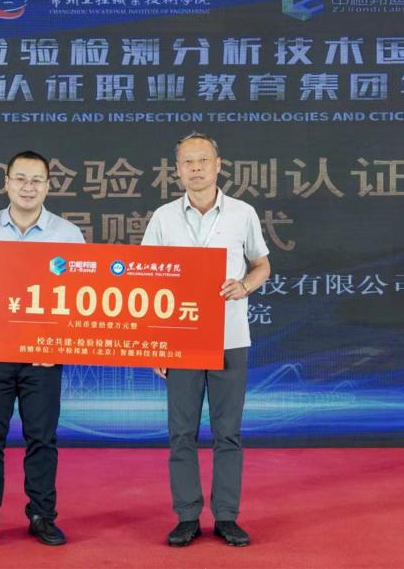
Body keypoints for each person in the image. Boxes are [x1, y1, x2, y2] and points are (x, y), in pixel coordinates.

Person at [0, 150, 84, 551]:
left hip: (44, 351)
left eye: (36, 180)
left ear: (48, 186)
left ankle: (42, 516)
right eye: (20, 179)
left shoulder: (67, 233)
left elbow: (82, 295)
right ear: (6, 183)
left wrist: (60, 344)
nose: (28, 187)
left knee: (42, 438)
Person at [141, 132, 271, 547]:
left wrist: (245, 285)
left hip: (230, 337)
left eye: (202, 160)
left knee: (227, 432)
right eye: (187, 162)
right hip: (179, 339)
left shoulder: (242, 213)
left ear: (218, 165)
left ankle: (227, 516)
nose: (195, 168)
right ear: (177, 170)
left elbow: (262, 264)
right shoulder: (163, 218)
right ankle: (187, 516)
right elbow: (145, 279)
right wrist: (155, 344)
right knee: (181, 432)